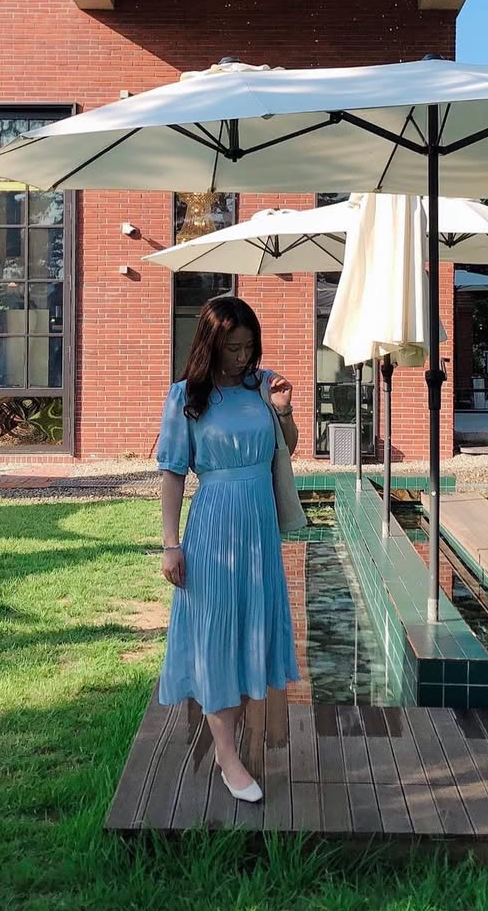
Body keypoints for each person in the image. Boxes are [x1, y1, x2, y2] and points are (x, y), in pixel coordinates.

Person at [156, 295, 300, 804]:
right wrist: (170, 544)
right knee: (216, 635)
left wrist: (283, 412)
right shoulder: (186, 396)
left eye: (248, 347)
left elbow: (286, 447)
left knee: (249, 632)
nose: (242, 357)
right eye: (233, 348)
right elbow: (173, 473)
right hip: (214, 525)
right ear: (211, 345)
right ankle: (226, 755)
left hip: (260, 527)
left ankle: (233, 741)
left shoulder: (263, 386)